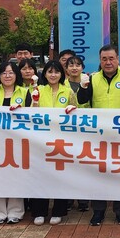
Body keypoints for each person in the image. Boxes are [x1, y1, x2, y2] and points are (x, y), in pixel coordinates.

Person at [77, 44, 120, 225]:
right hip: (98, 137)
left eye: (111, 58)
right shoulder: (92, 78)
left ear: (118, 59)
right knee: (99, 175)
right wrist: (83, 88)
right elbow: (82, 101)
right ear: (100, 60)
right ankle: (98, 211)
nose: (108, 62)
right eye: (104, 59)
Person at [30, 60, 78, 225]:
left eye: (56, 72)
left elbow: (76, 113)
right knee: (40, 176)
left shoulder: (68, 91)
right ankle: (39, 211)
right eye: (49, 72)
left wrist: (73, 109)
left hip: (61, 141)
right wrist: (35, 101)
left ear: (61, 74)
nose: (53, 75)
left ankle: (59, 211)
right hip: (40, 141)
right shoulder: (38, 90)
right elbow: (30, 115)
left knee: (59, 175)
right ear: (44, 74)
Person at [0, 61, 27, 224]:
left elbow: (34, 114)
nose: (7, 76)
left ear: (16, 75)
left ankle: (16, 211)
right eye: (4, 73)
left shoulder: (25, 92)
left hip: (18, 141)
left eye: (11, 72)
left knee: (15, 175)